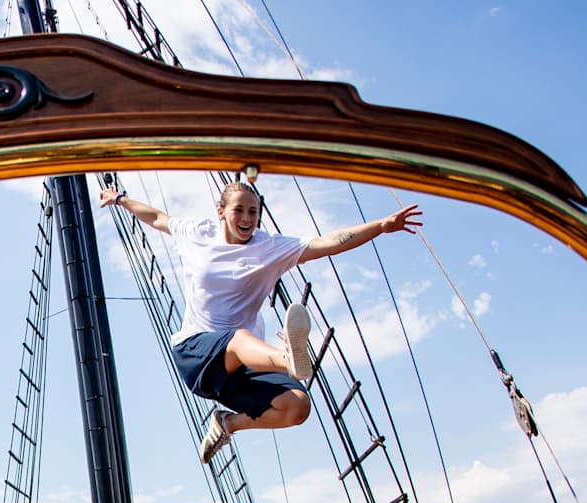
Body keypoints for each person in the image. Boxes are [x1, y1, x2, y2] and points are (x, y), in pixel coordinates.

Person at [100, 182, 421, 463]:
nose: (247, 218)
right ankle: (288, 359)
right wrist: (120, 200)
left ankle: (228, 424)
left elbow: (327, 243)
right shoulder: (198, 233)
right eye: (239, 210)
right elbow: (158, 218)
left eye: (253, 212)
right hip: (195, 353)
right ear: (221, 212)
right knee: (239, 339)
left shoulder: (270, 248)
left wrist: (381, 226)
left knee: (298, 407)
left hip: (242, 367)